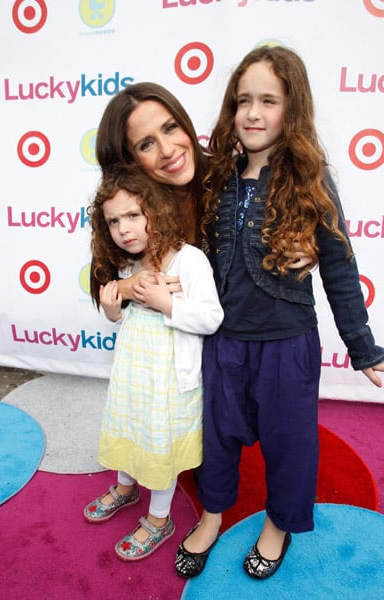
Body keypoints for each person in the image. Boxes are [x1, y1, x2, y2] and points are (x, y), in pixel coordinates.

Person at [174, 45, 384, 580]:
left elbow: (339, 267)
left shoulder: (311, 181)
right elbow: (192, 248)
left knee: (289, 442)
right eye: (243, 100)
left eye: (269, 100)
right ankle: (213, 513)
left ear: (292, 110)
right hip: (222, 342)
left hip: (287, 344)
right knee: (215, 437)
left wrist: (364, 348)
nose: (253, 113)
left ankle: (280, 523)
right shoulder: (216, 179)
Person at [83, 166, 224, 562]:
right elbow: (121, 318)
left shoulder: (190, 260)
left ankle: (159, 518)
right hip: (133, 377)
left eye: (133, 215)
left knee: (159, 442)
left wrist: (166, 304)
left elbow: (212, 318)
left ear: (155, 213)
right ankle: (126, 488)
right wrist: (113, 309)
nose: (124, 229)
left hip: (169, 382)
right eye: (113, 221)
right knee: (130, 429)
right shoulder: (127, 266)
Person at [90, 81, 311, 304]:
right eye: (146, 145)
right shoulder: (130, 205)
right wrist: (127, 287)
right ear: (129, 161)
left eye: (170, 128)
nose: (167, 150)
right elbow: (101, 281)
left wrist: (302, 243)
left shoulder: (232, 178)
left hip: (237, 332)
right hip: (172, 337)